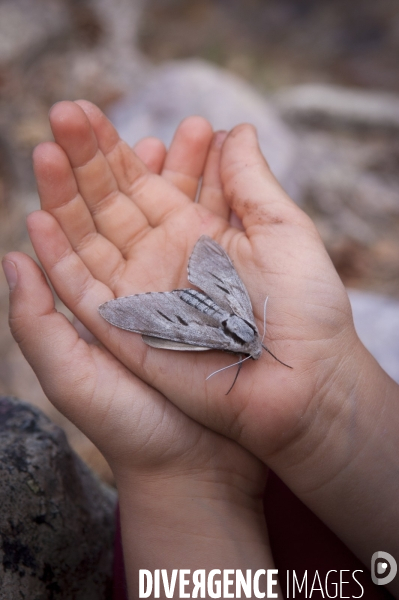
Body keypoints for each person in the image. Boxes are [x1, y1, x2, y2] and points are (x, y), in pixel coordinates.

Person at [2, 100, 399, 599]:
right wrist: (323, 407)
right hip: (208, 324)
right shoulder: (250, 334)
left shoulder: (250, 332)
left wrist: (179, 478)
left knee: (165, 328)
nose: (256, 353)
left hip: (203, 320)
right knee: (162, 327)